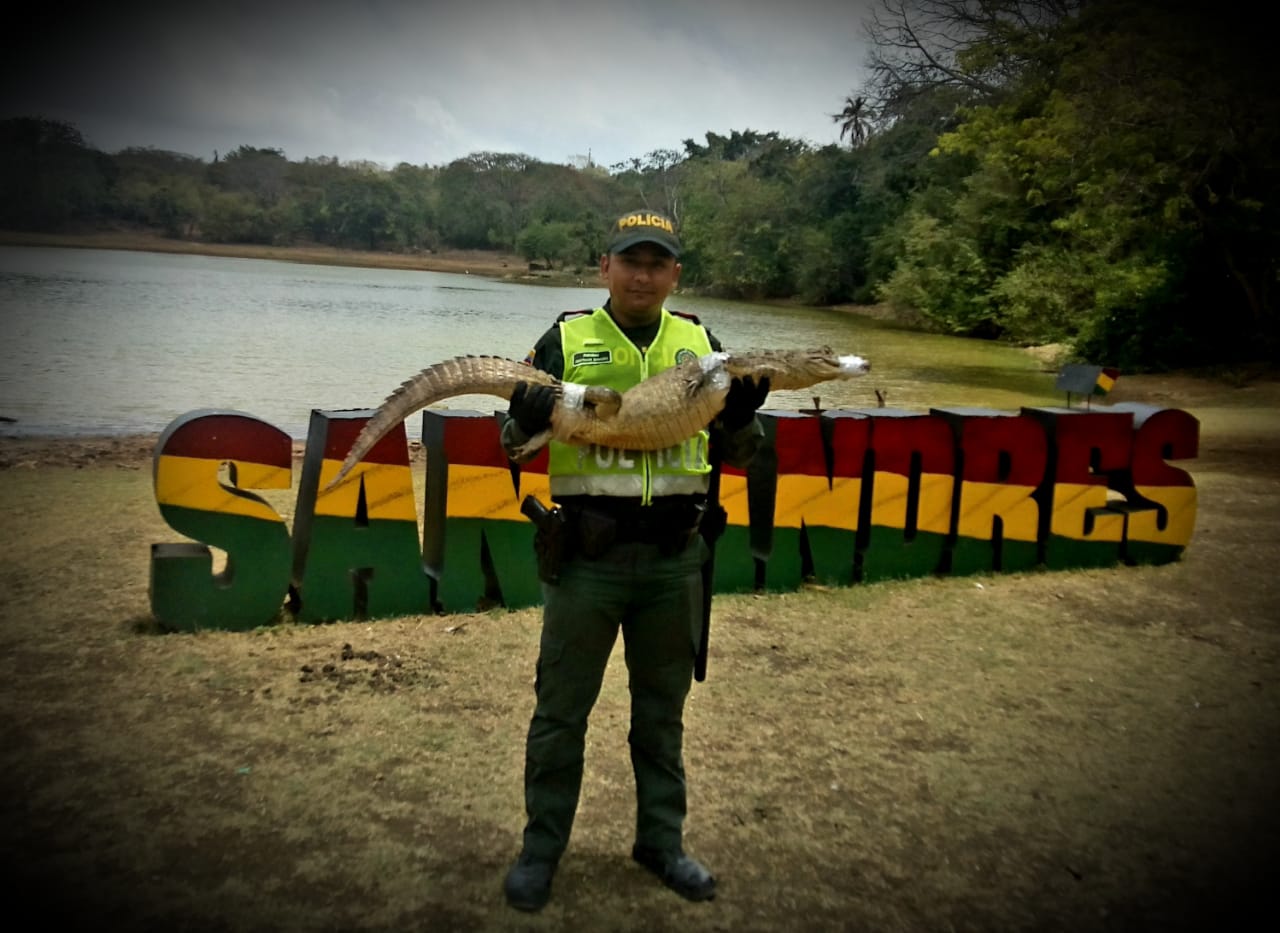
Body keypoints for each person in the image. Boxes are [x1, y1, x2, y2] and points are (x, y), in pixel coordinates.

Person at [500, 209, 769, 911]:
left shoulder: (702, 345)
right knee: (560, 712)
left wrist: (741, 418)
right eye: (630, 261)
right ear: (605, 267)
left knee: (661, 714)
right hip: (585, 561)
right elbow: (512, 444)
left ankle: (661, 842)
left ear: (675, 274)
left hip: (674, 560)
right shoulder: (564, 338)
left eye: (657, 264)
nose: (643, 275)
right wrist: (525, 414)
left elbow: (744, 454)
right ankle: (540, 849)